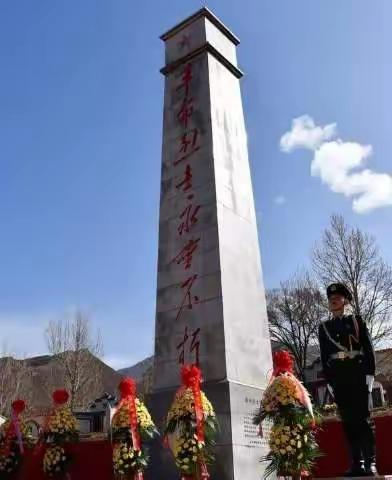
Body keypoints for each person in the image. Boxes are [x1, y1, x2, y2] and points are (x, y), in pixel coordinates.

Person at [318, 283, 377, 477]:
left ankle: (370, 462)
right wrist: (329, 381)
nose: (333, 300)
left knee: (363, 420)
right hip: (339, 378)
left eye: (337, 297)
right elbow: (325, 356)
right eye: (330, 298)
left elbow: (368, 348)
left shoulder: (356, 321)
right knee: (348, 422)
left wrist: (370, 374)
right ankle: (356, 463)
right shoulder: (324, 327)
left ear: (346, 301)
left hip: (358, 374)